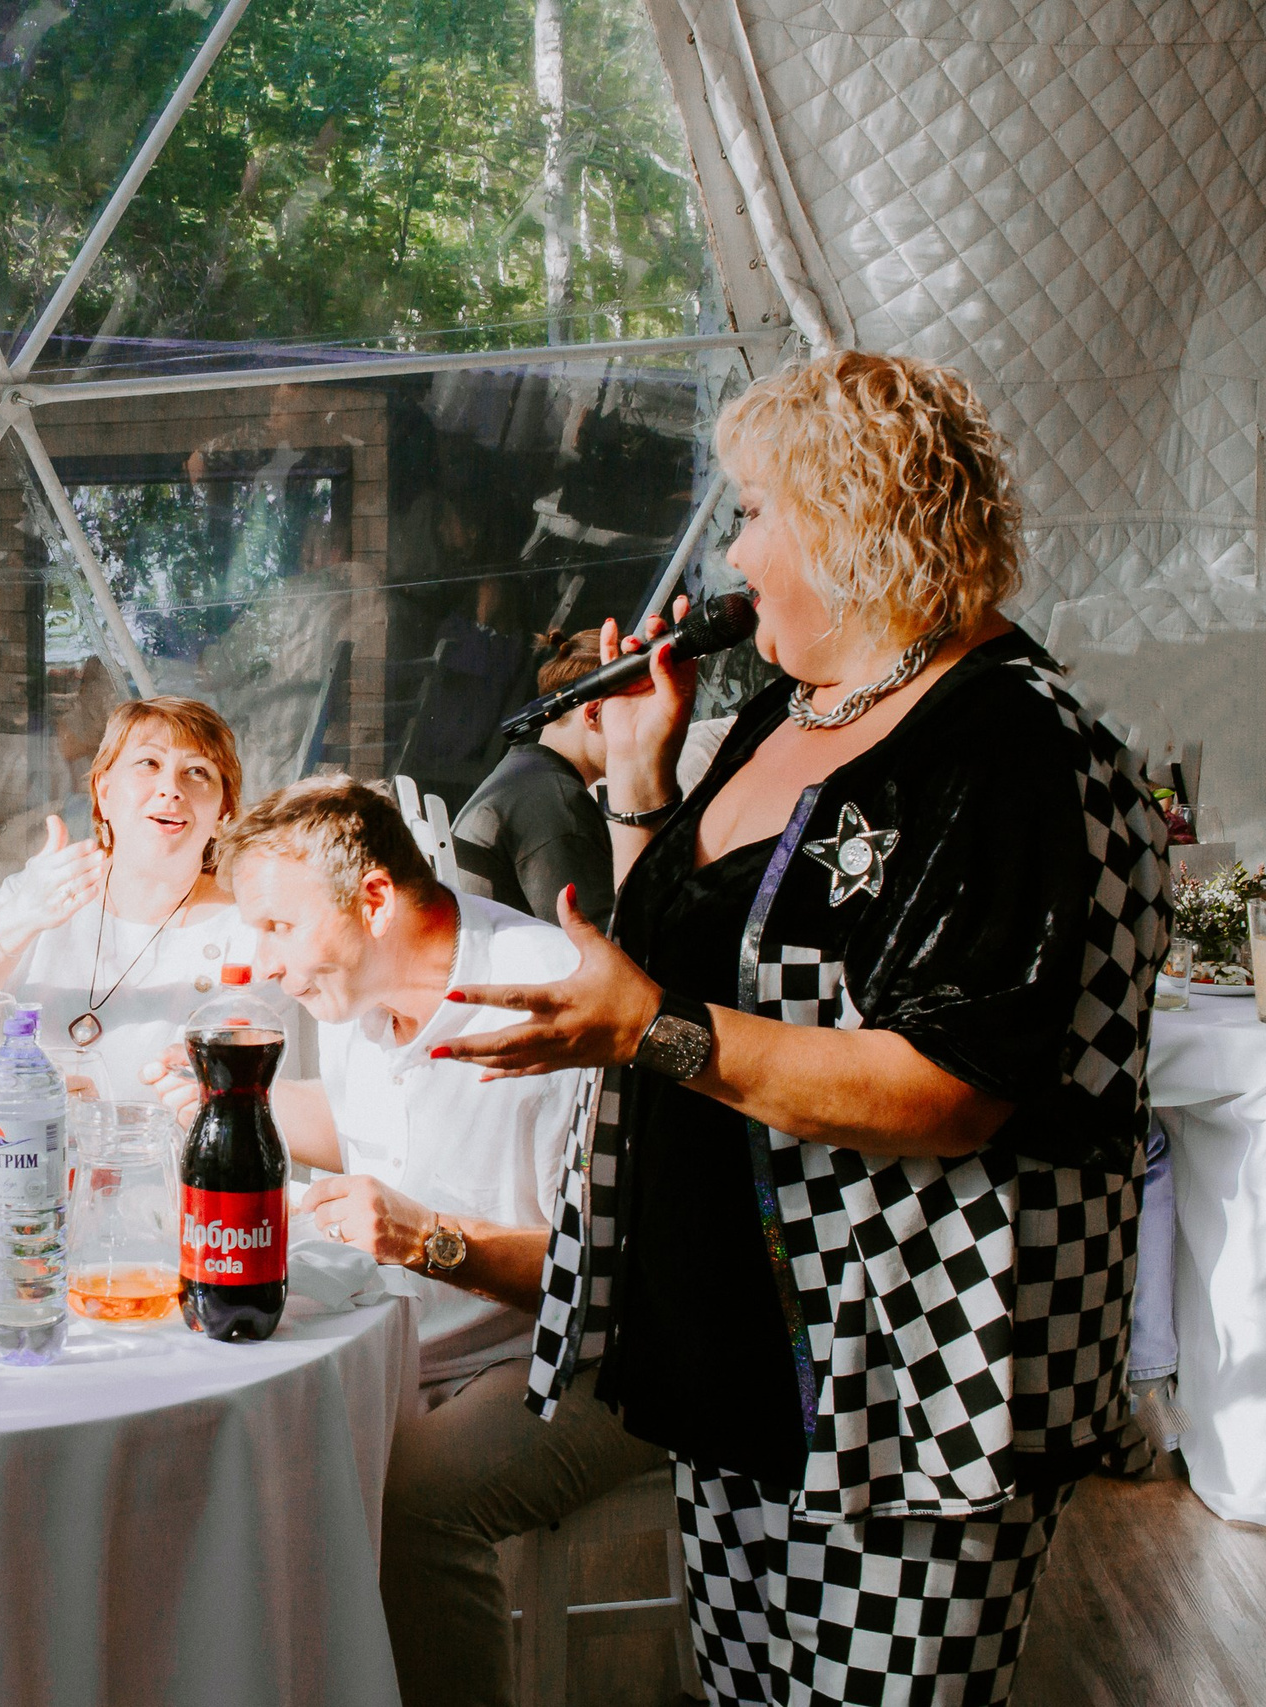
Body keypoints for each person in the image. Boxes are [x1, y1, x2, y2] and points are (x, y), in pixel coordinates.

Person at [437, 351, 1165, 1706]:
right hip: (737, 1349)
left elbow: (949, 1086)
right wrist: (647, 781)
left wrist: (647, 1028)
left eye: (755, 511)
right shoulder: (791, 704)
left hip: (905, 1379)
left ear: (849, 516)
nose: (733, 551)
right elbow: (710, 956)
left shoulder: (1013, 748)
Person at [146, 776, 663, 1707]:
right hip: (414, 1344)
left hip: (584, 1365)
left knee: (408, 1501)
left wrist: (434, 1243)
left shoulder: (547, 996)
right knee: (244, 1448)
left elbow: (625, 1281)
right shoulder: (358, 992)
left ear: (374, 898)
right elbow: (368, 1128)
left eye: (277, 927)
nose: (263, 963)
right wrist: (234, 1097)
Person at [0, 696, 306, 1099]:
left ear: (223, 814)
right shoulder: (43, 890)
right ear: (103, 792)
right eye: (149, 763)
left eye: (198, 772)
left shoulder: (253, 930)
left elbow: (272, 1099)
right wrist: (17, 919)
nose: (171, 789)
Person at [451, 629, 616, 928]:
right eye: (637, 714)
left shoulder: (522, 775)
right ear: (593, 713)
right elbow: (608, 951)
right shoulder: (559, 805)